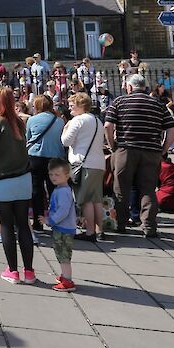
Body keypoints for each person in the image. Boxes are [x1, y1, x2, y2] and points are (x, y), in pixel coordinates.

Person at [103, 74, 174, 238]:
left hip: (125, 149)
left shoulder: (119, 102)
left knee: (121, 188)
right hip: (151, 151)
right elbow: (172, 129)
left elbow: (108, 126)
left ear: (129, 87)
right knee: (148, 189)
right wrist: (163, 149)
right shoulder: (158, 104)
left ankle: (120, 224)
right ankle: (149, 226)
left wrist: (112, 146)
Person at [0, 87, 35, 283]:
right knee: (23, 226)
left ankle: (13, 271)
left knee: (6, 225)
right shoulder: (19, 122)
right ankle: (29, 271)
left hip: (2, 180)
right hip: (23, 179)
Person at [61, 92, 106, 241]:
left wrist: (66, 128)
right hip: (98, 163)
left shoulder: (77, 120)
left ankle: (90, 232)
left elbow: (65, 142)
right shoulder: (97, 120)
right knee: (97, 199)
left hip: (83, 163)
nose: (70, 108)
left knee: (86, 199)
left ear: (81, 105)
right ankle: (100, 230)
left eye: (72, 105)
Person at [25, 95, 65, 233]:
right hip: (54, 158)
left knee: (36, 191)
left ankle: (37, 222)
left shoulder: (32, 120)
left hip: (36, 157)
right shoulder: (59, 121)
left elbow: (28, 138)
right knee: (54, 191)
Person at [42, 159, 77, 291]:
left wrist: (50, 220)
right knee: (61, 253)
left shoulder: (63, 192)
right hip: (63, 228)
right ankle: (65, 276)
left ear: (67, 176)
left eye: (57, 175)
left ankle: (68, 281)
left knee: (64, 255)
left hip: (65, 229)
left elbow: (63, 210)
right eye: (51, 174)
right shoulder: (61, 189)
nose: (53, 178)